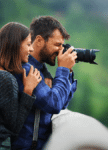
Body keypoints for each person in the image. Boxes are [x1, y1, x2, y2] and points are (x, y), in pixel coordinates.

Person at [11, 16, 78, 149]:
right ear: (39, 40)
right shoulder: (25, 69)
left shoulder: (42, 70)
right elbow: (53, 104)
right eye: (57, 45)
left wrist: (68, 72)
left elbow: (62, 103)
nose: (60, 50)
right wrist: (62, 70)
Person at [0, 22, 43, 149]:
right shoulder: (5, 79)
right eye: (28, 44)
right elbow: (14, 127)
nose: (32, 49)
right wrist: (28, 90)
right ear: (16, 45)